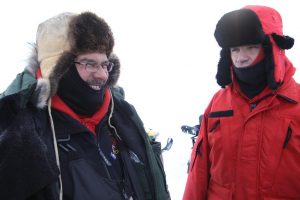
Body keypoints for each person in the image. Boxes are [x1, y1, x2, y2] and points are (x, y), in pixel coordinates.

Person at [0, 12, 170, 200]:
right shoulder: (25, 134)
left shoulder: (122, 115)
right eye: (90, 64)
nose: (102, 75)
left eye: (105, 65)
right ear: (58, 67)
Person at [183, 5, 300, 199]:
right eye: (235, 49)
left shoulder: (296, 105)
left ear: (272, 49)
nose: (241, 58)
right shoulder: (218, 104)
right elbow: (198, 173)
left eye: (251, 47)